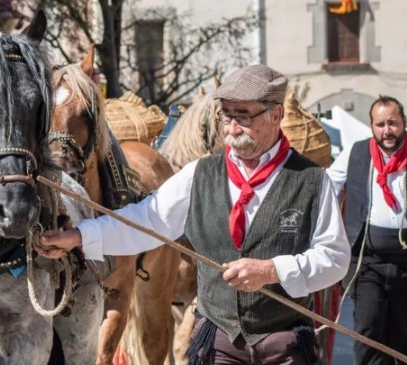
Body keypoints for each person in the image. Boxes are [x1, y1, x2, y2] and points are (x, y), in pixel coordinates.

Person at [38, 64, 350, 365]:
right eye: (226, 115)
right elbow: (146, 221)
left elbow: (335, 260)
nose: (231, 128)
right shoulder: (199, 174)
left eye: (243, 116)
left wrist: (273, 271)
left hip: (284, 344)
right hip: (219, 343)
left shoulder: (311, 180)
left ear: (276, 115)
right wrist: (78, 237)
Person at [326, 95, 407, 365]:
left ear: (404, 123)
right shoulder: (356, 152)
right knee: (368, 329)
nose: (386, 130)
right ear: (371, 126)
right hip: (367, 261)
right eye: (380, 124)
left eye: (392, 123)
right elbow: (327, 187)